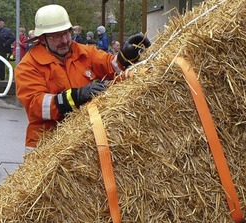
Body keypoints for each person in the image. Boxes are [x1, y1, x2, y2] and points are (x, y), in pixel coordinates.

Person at [15, 4, 150, 149]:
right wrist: (76, 96)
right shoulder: (28, 66)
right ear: (42, 39)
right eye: (56, 36)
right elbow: (37, 106)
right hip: (46, 146)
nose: (65, 40)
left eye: (66, 33)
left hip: (83, 142)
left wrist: (125, 57)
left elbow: (111, 66)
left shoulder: (84, 52)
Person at [0, 17, 15, 81]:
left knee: (1, 65)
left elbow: (12, 38)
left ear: (3, 23)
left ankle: (2, 78)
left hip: (1, 50)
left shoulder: (6, 30)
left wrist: (5, 44)